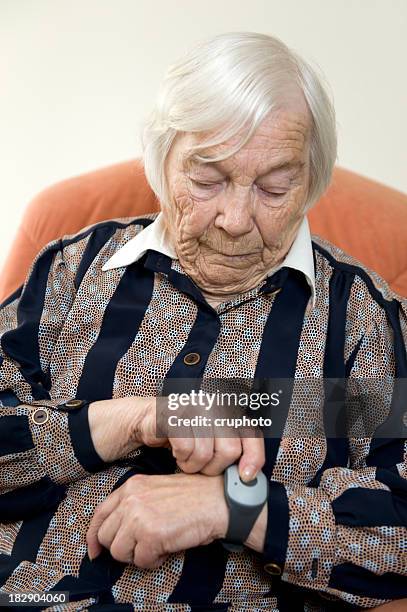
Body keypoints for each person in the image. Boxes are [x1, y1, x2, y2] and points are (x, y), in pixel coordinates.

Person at [0, 31, 406, 611]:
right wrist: (135, 418)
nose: (236, 219)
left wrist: (237, 507)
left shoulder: (358, 322)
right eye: (208, 180)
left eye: (273, 187)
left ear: (311, 182)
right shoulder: (75, 269)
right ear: (161, 165)